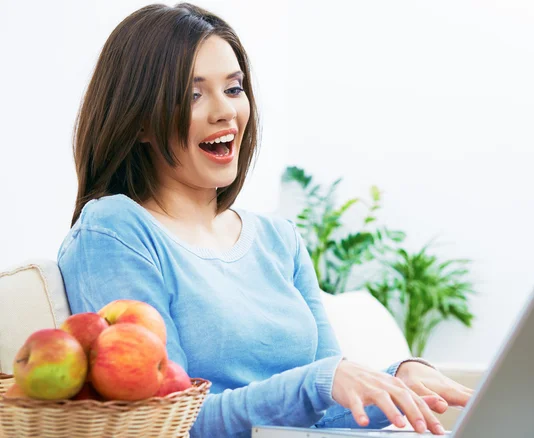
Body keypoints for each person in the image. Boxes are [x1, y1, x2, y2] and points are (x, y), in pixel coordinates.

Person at [57, 3, 473, 437]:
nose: (225, 112)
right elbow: (169, 423)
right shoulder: (115, 230)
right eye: (193, 94)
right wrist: (320, 382)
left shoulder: (279, 239)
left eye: (234, 89)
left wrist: (396, 382)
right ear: (139, 121)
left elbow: (320, 411)